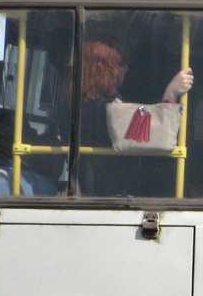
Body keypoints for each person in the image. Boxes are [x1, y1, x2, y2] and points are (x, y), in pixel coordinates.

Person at [78, 35, 193, 195]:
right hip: (109, 191)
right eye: (122, 64)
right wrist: (170, 94)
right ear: (105, 70)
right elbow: (147, 131)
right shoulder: (102, 108)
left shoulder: (85, 103)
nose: (127, 69)